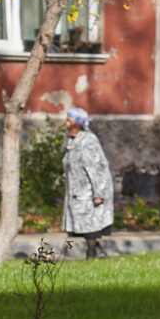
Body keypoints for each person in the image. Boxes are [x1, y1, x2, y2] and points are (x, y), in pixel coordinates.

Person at [62, 107, 114, 258]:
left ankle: (92, 254)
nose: (66, 125)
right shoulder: (74, 141)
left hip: (88, 192)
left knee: (91, 227)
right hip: (78, 191)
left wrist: (99, 193)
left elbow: (98, 169)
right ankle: (94, 252)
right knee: (84, 226)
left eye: (69, 121)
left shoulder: (88, 141)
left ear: (78, 124)